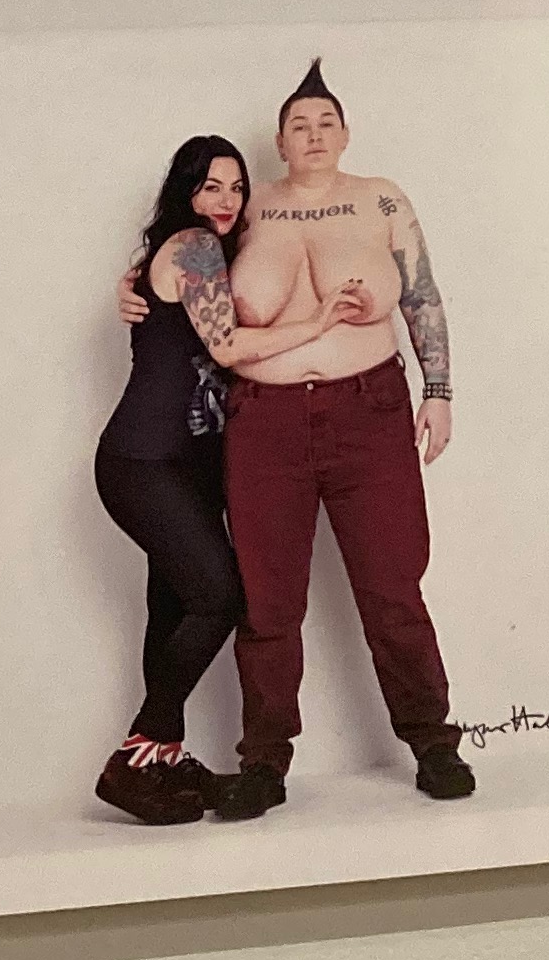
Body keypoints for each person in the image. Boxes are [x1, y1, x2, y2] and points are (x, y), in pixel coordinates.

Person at [196, 63, 467, 817]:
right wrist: (135, 290)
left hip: (368, 411)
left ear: (345, 134)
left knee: (392, 587)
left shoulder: (381, 198)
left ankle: (434, 742)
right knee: (266, 601)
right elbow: (185, 261)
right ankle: (263, 762)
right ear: (279, 141)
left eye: (325, 122)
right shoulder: (249, 207)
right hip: (265, 422)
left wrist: (439, 391)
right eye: (298, 125)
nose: (313, 134)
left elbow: (421, 294)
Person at [91, 137, 384, 828]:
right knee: (219, 596)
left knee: (173, 606)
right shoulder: (193, 246)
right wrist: (318, 321)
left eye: (236, 187)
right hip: (144, 461)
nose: (225, 201)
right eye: (210, 187)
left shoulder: (210, 254)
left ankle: (162, 759)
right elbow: (227, 347)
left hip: (189, 465)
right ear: (185, 192)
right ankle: (137, 750)